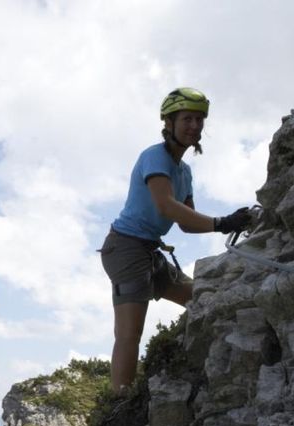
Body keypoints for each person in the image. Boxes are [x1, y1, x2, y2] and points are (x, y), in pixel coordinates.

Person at [100, 87, 251, 396]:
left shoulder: (184, 172)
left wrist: (229, 221)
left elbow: (185, 223)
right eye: (187, 119)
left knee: (202, 298)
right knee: (129, 334)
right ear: (169, 122)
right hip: (126, 249)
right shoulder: (154, 156)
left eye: (199, 120)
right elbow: (165, 206)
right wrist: (222, 223)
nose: (194, 126)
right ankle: (118, 404)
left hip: (148, 250)